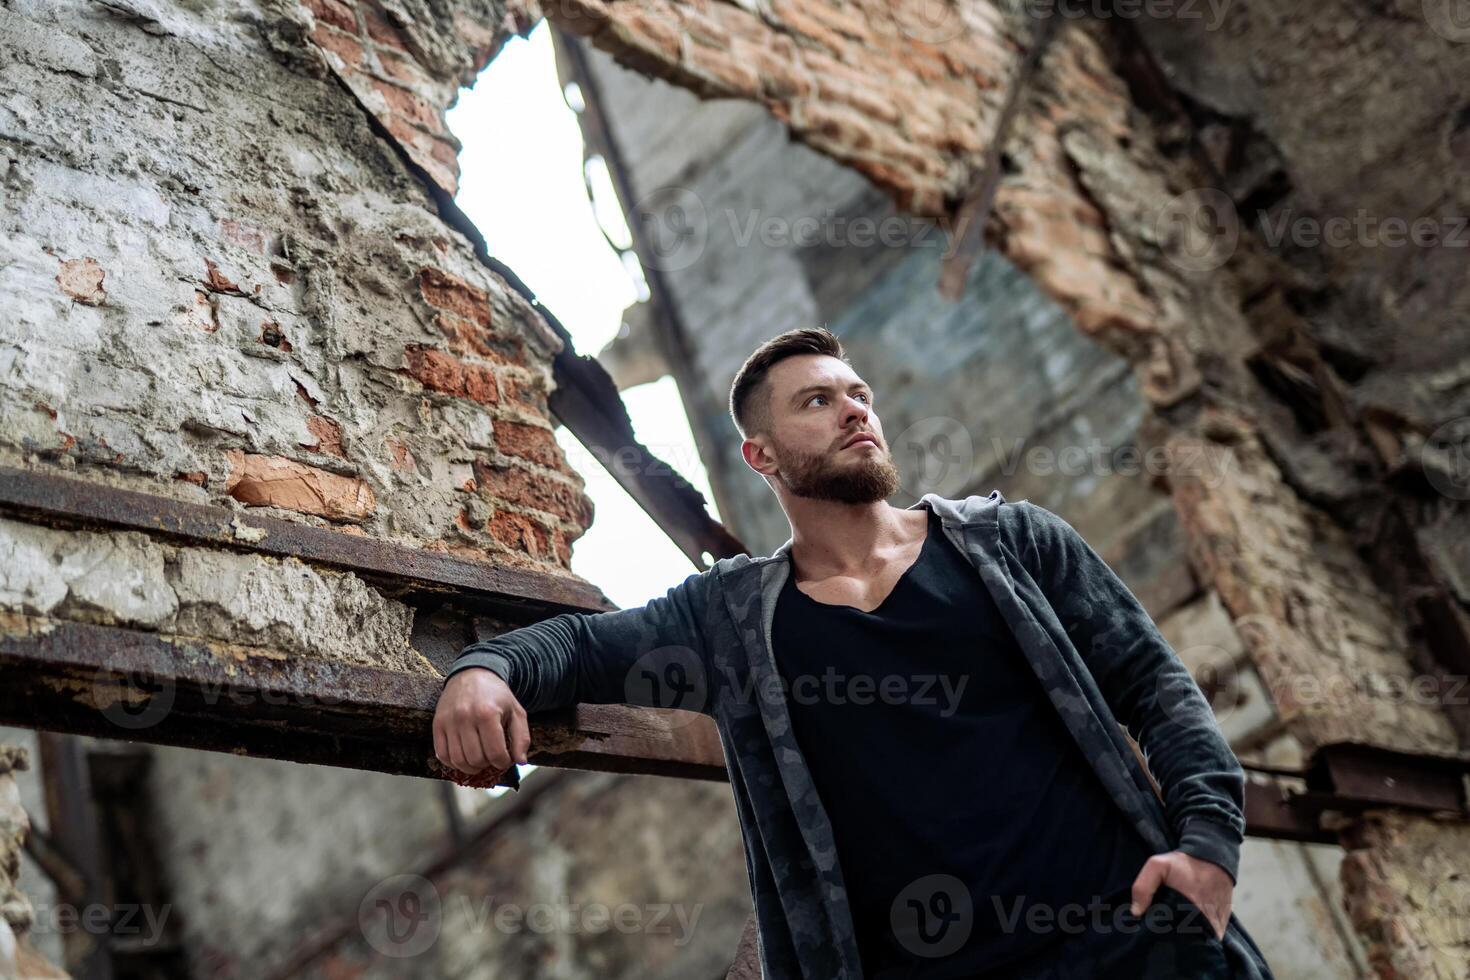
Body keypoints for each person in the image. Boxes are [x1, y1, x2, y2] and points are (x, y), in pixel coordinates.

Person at [433, 327, 1275, 979]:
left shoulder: (1011, 543)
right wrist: (484, 670)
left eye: (858, 393)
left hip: (1136, 948)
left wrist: (1207, 850)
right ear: (761, 457)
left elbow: (1156, 687)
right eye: (816, 402)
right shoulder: (731, 620)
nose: (853, 409)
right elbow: (579, 643)